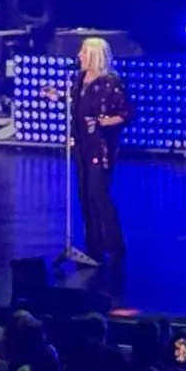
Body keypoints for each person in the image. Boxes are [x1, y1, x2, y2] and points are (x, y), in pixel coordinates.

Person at [69, 36, 133, 267]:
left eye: (84, 53)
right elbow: (75, 109)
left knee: (99, 194)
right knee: (84, 195)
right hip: (81, 145)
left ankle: (114, 243)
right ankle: (93, 241)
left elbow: (127, 114)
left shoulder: (111, 83)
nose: (79, 56)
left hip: (101, 146)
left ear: (95, 56)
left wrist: (104, 122)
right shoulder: (79, 79)